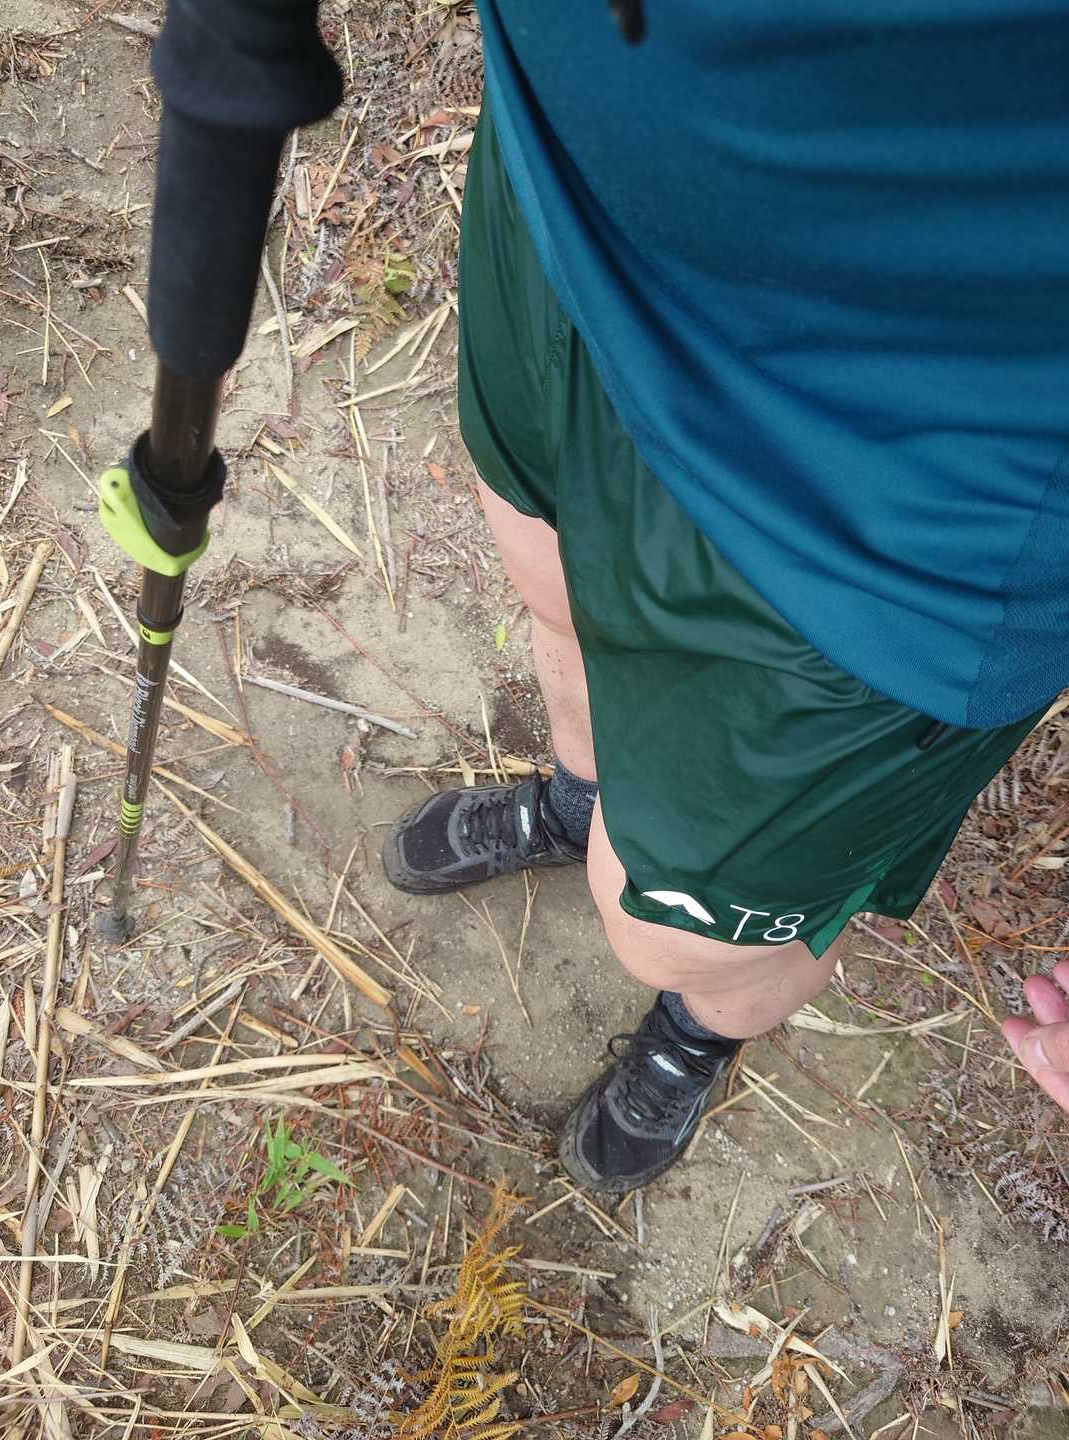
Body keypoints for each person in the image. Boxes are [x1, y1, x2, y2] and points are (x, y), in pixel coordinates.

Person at [382, 0, 1069, 1191]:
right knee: (553, 596)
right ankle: (582, 799)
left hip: (908, 496)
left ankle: (702, 1024)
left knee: (667, 930)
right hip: (577, 188)